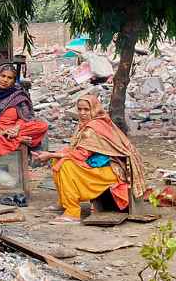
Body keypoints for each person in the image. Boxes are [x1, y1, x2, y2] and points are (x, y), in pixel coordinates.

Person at [33, 94, 146, 224]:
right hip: (97, 165)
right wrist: (54, 155)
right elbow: (76, 150)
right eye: (80, 109)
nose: (82, 113)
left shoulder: (93, 127)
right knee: (59, 160)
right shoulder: (85, 124)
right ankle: (64, 202)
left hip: (112, 171)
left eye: (86, 110)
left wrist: (50, 154)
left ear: (94, 109)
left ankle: (72, 212)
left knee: (66, 165)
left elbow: (81, 154)